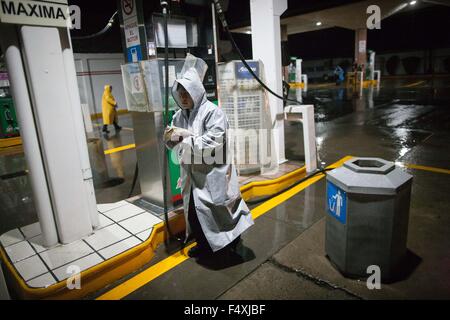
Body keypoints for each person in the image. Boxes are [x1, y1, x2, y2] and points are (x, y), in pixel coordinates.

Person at [163, 67, 254, 259]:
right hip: (192, 176)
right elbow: (173, 139)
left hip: (213, 174)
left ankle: (230, 243)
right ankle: (205, 246)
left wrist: (185, 140)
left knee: (221, 212)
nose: (183, 97)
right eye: (180, 93)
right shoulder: (179, 116)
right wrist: (170, 138)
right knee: (196, 214)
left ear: (196, 91)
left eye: (187, 92)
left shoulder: (213, 113)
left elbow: (214, 140)